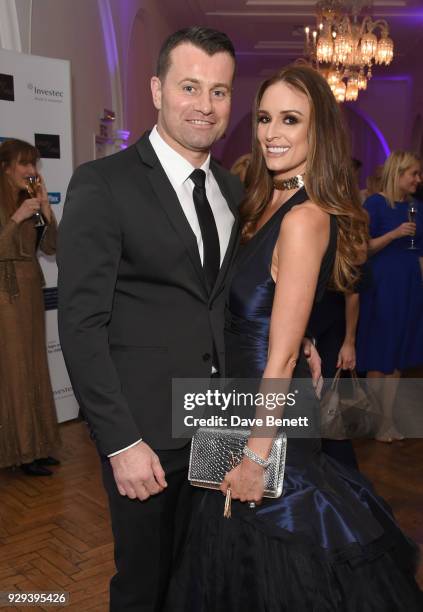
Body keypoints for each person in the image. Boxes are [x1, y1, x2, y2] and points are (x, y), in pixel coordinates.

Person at [58, 27, 321, 612]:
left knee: (205, 583)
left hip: (223, 424)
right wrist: (120, 442)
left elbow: (246, 293)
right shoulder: (104, 185)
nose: (205, 105)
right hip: (146, 437)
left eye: (220, 91)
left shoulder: (236, 191)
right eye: (190, 86)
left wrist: (300, 337)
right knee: (144, 586)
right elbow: (79, 326)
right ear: (156, 90)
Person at [166, 65, 423, 611]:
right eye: (263, 118)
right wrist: (303, 336)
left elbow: (279, 354)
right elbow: (269, 308)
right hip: (235, 406)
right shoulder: (264, 206)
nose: (271, 132)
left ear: (318, 131)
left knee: (279, 565)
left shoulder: (305, 218)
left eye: (290, 119)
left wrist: (258, 459)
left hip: (270, 420)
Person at [0, 139, 60, 476]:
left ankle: (39, 447)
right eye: (24, 164)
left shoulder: (30, 199)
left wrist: (47, 214)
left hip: (31, 291)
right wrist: (16, 217)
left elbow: (52, 247)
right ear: (6, 167)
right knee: (15, 373)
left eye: (34, 164)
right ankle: (21, 452)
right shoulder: (8, 203)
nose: (31, 171)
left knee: (35, 367)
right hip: (4, 295)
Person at [357, 150, 423, 442]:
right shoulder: (376, 203)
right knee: (379, 354)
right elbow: (364, 249)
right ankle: (378, 421)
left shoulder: (418, 207)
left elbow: (420, 251)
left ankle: (388, 418)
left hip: (409, 284)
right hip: (383, 285)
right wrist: (394, 234)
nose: (418, 180)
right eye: (414, 174)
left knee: (398, 355)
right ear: (398, 174)